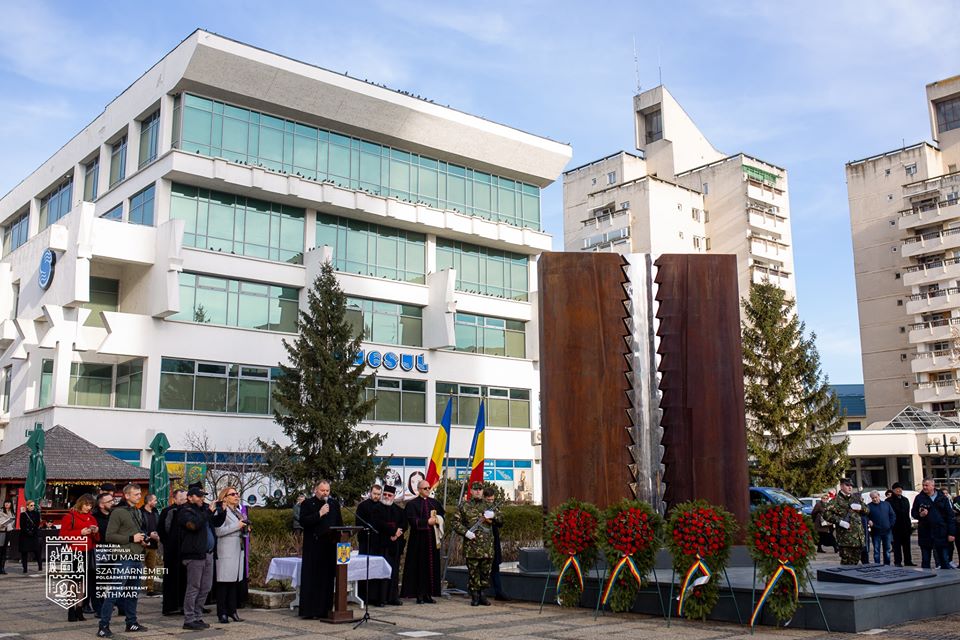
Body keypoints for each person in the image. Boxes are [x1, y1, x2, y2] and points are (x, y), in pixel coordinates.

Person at [99, 483, 150, 638]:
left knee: (133, 593)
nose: (139, 496)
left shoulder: (137, 511)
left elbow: (136, 532)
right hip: (123, 557)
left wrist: (143, 539)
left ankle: (131, 623)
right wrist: (131, 538)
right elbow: (109, 536)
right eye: (136, 494)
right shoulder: (118, 512)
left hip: (137, 556)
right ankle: (103, 626)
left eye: (140, 493)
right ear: (126, 495)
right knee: (115, 592)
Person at [178, 485, 224, 631]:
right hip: (194, 555)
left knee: (206, 587)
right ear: (190, 497)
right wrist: (208, 512)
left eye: (203, 496)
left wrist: (222, 511)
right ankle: (189, 619)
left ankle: (197, 616)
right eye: (198, 496)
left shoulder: (203, 510)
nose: (201, 499)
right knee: (193, 587)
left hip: (208, 554)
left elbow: (216, 523)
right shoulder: (185, 511)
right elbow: (194, 525)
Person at [299, 480, 343, 619]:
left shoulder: (334, 504)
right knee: (313, 579)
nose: (325, 493)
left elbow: (339, 524)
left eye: (327, 491)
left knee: (327, 579)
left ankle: (325, 610)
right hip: (314, 547)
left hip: (329, 547)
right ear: (315, 490)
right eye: (322, 490)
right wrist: (320, 513)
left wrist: (342, 538)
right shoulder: (307, 503)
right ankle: (311, 611)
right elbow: (303, 521)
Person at [453, 482, 502, 606]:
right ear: (471, 491)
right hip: (472, 545)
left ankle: (482, 594)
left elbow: (501, 521)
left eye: (480, 489)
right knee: (473, 572)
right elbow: (455, 523)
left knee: (485, 572)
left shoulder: (489, 505)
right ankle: (475, 595)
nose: (478, 491)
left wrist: (494, 515)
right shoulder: (464, 506)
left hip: (487, 546)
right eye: (475, 489)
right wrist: (466, 533)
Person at [401, 480, 445, 603]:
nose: (428, 490)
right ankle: (419, 595)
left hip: (432, 540)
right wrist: (427, 522)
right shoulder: (412, 504)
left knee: (431, 567)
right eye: (425, 488)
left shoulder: (434, 503)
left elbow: (442, 516)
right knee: (419, 567)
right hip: (418, 541)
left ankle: (429, 594)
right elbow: (412, 521)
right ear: (419, 489)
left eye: (429, 488)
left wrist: (438, 519)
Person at [59, 494, 100, 622]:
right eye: (86, 505)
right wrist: (80, 533)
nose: (88, 507)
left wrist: (95, 532)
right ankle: (71, 609)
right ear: (80, 503)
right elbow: (63, 536)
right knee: (73, 581)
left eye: (91, 505)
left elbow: (97, 539)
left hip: (87, 552)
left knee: (82, 582)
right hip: (73, 552)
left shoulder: (92, 518)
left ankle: (79, 609)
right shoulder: (69, 516)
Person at [214, 486, 248, 624]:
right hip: (226, 549)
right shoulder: (221, 511)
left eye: (237, 493)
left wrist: (246, 528)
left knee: (234, 583)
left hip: (237, 549)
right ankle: (222, 612)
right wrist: (237, 526)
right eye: (232, 494)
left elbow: (240, 526)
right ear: (225, 498)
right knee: (224, 582)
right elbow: (218, 531)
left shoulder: (238, 512)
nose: (236, 496)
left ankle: (232, 610)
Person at [911, 478, 956, 570]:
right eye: (923, 485)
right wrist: (920, 515)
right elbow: (913, 513)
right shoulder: (919, 498)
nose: (924, 487)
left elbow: (950, 516)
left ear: (933, 486)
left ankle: (945, 576)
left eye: (926, 485)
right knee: (925, 560)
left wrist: (951, 533)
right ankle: (926, 577)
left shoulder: (942, 498)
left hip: (941, 533)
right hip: (925, 533)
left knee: (944, 559)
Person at [824, 478, 869, 565]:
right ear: (841, 486)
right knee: (846, 565)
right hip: (845, 539)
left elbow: (867, 510)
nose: (850, 487)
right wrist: (839, 522)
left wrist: (861, 508)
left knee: (855, 563)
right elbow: (826, 514)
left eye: (851, 485)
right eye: (847, 485)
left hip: (858, 538)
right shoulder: (836, 501)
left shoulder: (856, 498)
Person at [158, 489, 188, 615]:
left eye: (186, 498)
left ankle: (183, 605)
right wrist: (169, 544)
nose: (184, 501)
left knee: (185, 579)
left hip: (185, 551)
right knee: (171, 579)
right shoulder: (168, 511)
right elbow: (162, 530)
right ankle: (170, 607)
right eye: (181, 498)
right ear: (174, 499)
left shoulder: (188, 511)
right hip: (171, 551)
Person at [356, 484, 385, 606]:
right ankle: (364, 596)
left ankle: (377, 597)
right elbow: (358, 523)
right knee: (365, 568)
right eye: (374, 494)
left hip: (379, 543)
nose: (376, 496)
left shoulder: (383, 506)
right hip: (366, 542)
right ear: (370, 493)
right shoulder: (363, 506)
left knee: (377, 569)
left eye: (378, 494)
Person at [379, 485, 406, 606]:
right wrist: (392, 532)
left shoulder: (399, 510)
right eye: (385, 494)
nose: (386, 497)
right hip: (382, 544)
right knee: (382, 572)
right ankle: (381, 598)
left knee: (394, 572)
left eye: (389, 495)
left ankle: (393, 597)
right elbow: (378, 523)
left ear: (393, 496)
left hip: (395, 545)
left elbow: (404, 524)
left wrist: (397, 533)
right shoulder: (377, 509)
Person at [91, 492, 116, 618]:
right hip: (99, 550)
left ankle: (107, 604)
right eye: (109, 501)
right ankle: (98, 608)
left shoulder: (114, 515)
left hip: (113, 550)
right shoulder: (94, 517)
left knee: (110, 580)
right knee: (98, 581)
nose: (112, 503)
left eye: (113, 500)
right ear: (101, 504)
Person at [483, 487, 509, 601]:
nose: (490, 502)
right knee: (483, 566)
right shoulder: (479, 507)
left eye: (492, 499)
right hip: (483, 539)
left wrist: (493, 517)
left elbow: (501, 522)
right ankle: (481, 593)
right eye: (488, 500)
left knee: (495, 565)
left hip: (494, 537)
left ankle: (499, 592)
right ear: (484, 498)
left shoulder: (495, 508)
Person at [886, 483, 914, 567]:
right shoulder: (889, 501)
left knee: (907, 545)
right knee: (896, 546)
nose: (899, 490)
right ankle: (897, 562)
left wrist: (909, 525)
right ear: (893, 490)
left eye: (900, 488)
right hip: (895, 527)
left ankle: (908, 561)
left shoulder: (905, 499)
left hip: (905, 526)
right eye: (897, 489)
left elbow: (907, 513)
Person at [139, 494, 160, 597]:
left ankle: (150, 589)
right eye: (155, 500)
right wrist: (148, 535)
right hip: (142, 545)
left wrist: (158, 535)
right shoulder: (140, 512)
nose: (156, 502)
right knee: (138, 568)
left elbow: (158, 526)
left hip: (153, 545)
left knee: (151, 569)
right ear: (149, 501)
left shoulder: (156, 513)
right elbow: (138, 527)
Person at [867, 490, 896, 565]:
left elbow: (892, 515)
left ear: (879, 496)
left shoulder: (886, 504)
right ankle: (877, 565)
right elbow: (865, 517)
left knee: (887, 549)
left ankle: (887, 565)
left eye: (876, 497)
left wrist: (890, 525)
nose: (874, 499)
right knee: (876, 550)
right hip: (875, 532)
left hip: (887, 531)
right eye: (872, 498)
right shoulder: (869, 506)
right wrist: (868, 521)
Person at [19, 499, 42, 573]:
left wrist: (33, 531)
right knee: (24, 552)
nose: (33, 506)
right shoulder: (23, 514)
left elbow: (37, 524)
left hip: (34, 535)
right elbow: (22, 525)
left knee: (37, 551)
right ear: (27, 506)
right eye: (31, 505)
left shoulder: (37, 514)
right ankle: (25, 568)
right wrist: (27, 532)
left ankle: (40, 566)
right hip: (25, 535)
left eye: (34, 505)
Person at [0, 499, 14, 574]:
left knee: (4, 550)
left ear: (11, 504)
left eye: (8, 503)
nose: (7, 504)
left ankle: (2, 568)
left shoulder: (12, 513)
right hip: (1, 532)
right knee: (0, 550)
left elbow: (12, 524)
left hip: (8, 532)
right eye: (6, 502)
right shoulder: (1, 511)